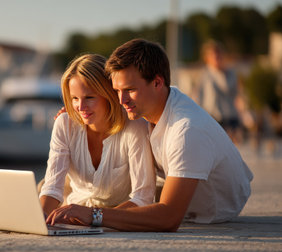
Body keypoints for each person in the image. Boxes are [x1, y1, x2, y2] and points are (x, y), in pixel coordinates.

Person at [47, 39, 253, 232]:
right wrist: (80, 113)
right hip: (169, 185)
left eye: (129, 90)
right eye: (117, 91)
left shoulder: (186, 131)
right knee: (59, 185)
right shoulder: (153, 108)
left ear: (157, 82)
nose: (121, 100)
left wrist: (94, 215)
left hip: (211, 211)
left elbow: (169, 218)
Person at [39, 54, 156, 220]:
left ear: (108, 94)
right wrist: (40, 219)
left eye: (89, 97)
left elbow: (143, 198)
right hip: (73, 218)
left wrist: (94, 218)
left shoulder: (134, 127)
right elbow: (52, 186)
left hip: (117, 220)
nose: (81, 107)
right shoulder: (65, 124)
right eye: (74, 99)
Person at [197, 40, 242, 143]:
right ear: (207, 58)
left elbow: (236, 95)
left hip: (231, 118)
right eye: (213, 56)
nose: (217, 58)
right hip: (212, 119)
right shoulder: (204, 76)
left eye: (218, 55)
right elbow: (199, 98)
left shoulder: (231, 74)